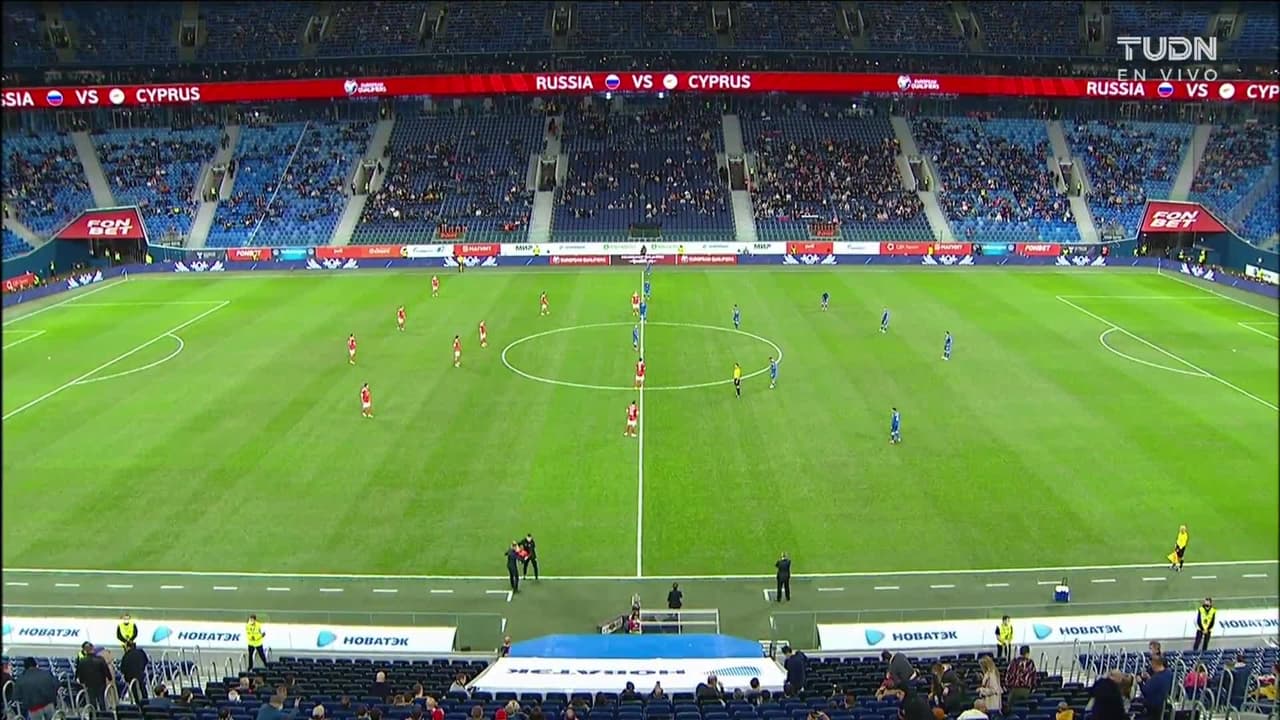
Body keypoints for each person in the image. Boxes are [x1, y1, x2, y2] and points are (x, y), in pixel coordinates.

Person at [75, 644, 112, 711]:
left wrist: (82, 681)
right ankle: (103, 715)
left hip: (89, 684)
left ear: (85, 651)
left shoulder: (82, 661)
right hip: (101, 683)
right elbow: (105, 670)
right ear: (93, 649)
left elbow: (80, 673)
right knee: (101, 700)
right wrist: (109, 678)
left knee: (92, 702)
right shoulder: (100, 659)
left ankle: (93, 715)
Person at [1004, 646, 1037, 711]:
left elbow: (1008, 675)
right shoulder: (1030, 663)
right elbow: (1034, 677)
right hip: (1026, 691)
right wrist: (1033, 688)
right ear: (1027, 653)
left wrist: (1007, 687)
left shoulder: (1014, 662)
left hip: (1014, 690)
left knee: (1010, 708)